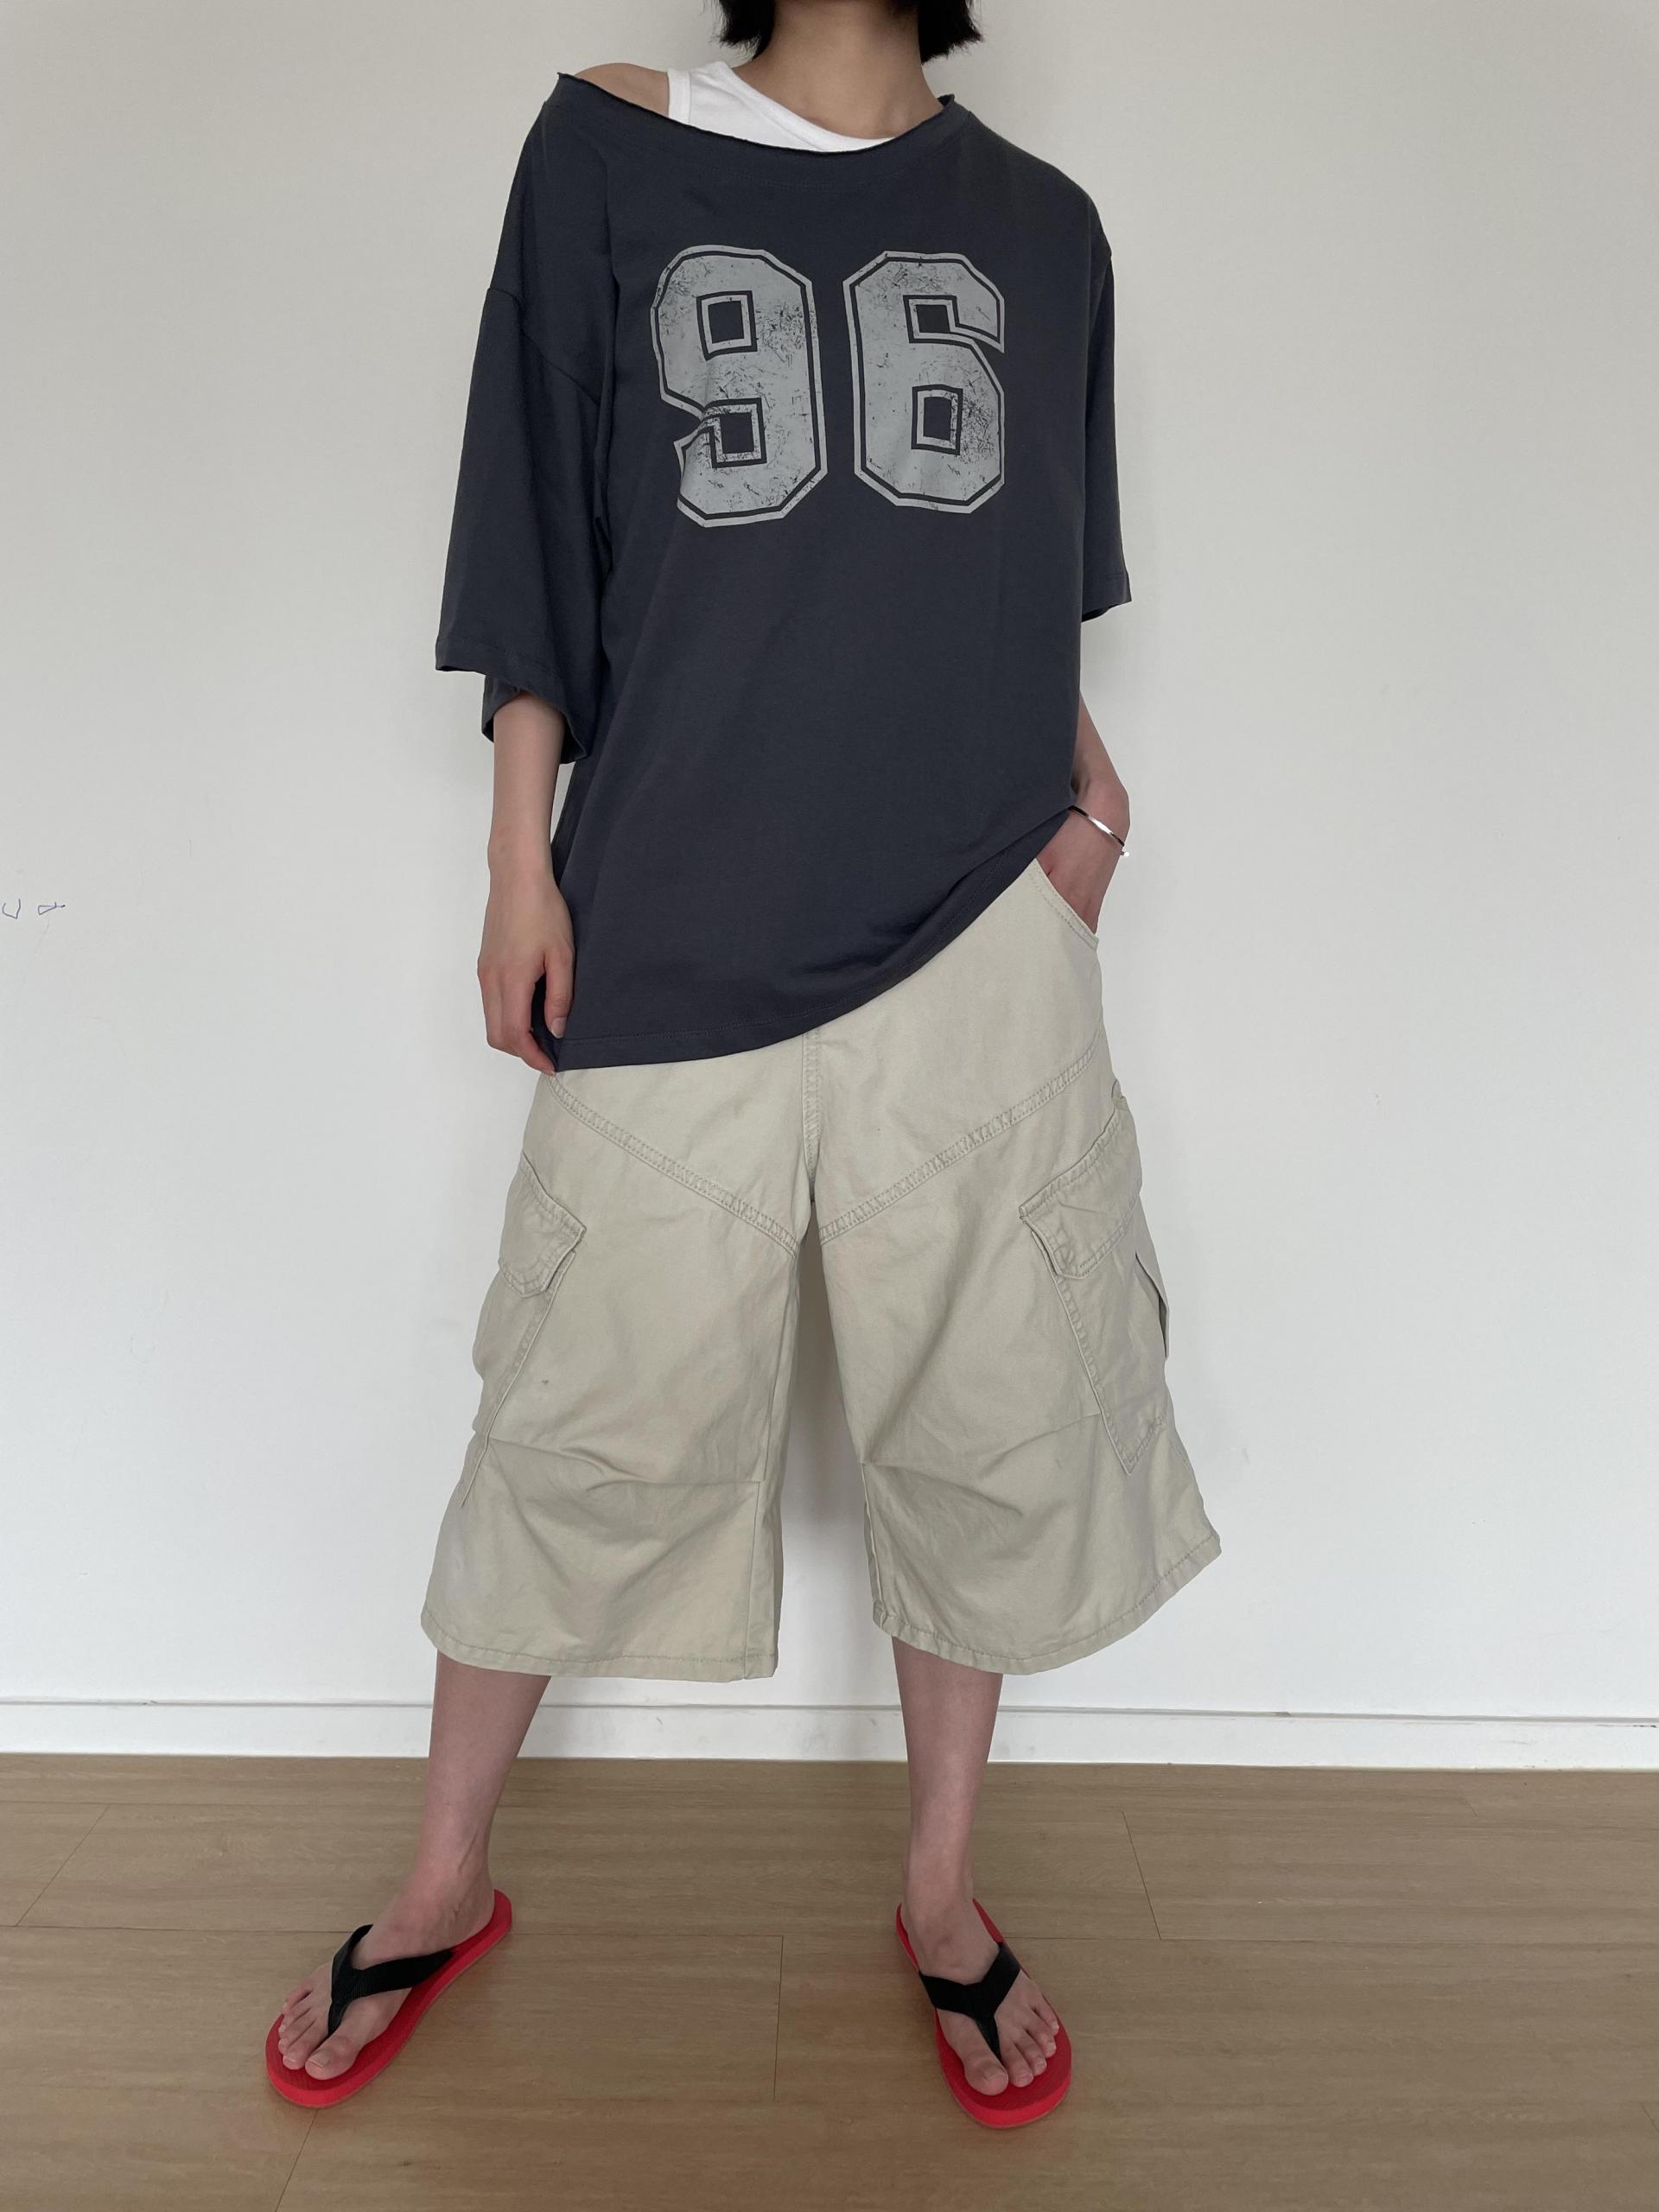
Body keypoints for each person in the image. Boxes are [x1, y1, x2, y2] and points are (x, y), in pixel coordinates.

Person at [268, 0, 1219, 2125]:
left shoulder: (1045, 225)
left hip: (977, 933)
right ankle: (443, 1875)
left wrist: (1087, 824)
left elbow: (1030, 586)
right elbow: (538, 520)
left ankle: (942, 1892)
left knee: (988, 1425)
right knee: (573, 1418)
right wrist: (520, 855)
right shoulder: (611, 146)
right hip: (676, 917)